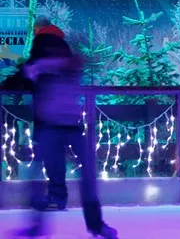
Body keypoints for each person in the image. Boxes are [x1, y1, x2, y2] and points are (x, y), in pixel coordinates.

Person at [3, 16, 117, 238]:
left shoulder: (39, 61)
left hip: (48, 123)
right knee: (87, 176)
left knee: (39, 171)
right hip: (71, 123)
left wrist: (14, 82)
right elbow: (72, 66)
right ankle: (95, 224)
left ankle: (38, 221)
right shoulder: (67, 60)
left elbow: (22, 77)